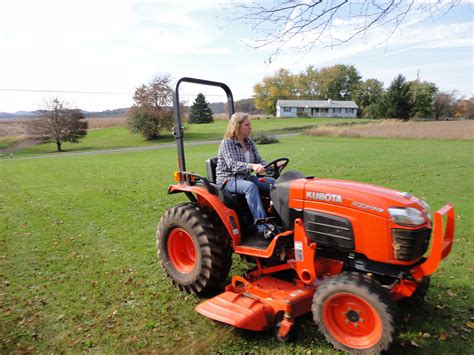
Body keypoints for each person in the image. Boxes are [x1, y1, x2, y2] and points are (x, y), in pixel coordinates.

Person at [216, 112, 275, 238]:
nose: (250, 127)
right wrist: (252, 166)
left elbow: (259, 160)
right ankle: (262, 225)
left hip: (246, 177)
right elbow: (233, 165)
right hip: (229, 180)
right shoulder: (227, 143)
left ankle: (279, 219)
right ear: (237, 126)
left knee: (274, 184)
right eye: (247, 125)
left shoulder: (249, 142)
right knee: (250, 187)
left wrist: (272, 165)